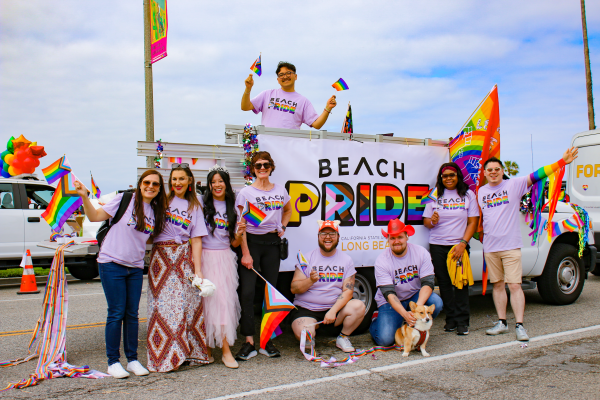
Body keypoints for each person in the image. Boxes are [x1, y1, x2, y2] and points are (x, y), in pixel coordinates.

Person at [74, 170, 167, 379]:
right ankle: (113, 362)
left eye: (155, 184)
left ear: (160, 189)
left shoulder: (155, 210)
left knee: (132, 314)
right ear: (140, 184)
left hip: (134, 267)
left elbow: (151, 239)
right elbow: (94, 216)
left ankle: (132, 359)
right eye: (147, 182)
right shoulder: (125, 199)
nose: (150, 186)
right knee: (116, 313)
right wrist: (84, 197)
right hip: (111, 263)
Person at [479, 148, 578, 341]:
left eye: (496, 169)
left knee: (515, 286)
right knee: (498, 285)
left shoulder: (513, 185)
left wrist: (561, 162)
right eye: (489, 170)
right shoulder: (481, 191)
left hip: (510, 246)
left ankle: (519, 325)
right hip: (490, 248)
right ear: (484, 173)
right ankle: (502, 323)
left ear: (502, 170)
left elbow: (537, 174)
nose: (493, 172)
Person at [146, 164, 216, 372]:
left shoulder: (194, 206)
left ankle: (188, 353)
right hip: (160, 259)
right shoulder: (161, 201)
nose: (177, 183)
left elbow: (196, 239)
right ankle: (166, 357)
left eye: (181, 179)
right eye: (174, 179)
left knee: (187, 305)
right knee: (163, 308)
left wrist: (198, 270)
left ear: (189, 182)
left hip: (184, 258)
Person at [235, 151, 292, 360]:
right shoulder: (246, 193)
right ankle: (249, 342)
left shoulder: (280, 190)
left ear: (271, 167)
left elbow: (288, 210)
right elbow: (240, 226)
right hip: (251, 244)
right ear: (253, 169)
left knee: (271, 295)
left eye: (266, 164)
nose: (262, 168)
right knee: (248, 294)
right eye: (258, 165)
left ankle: (267, 341)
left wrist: (282, 226)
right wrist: (246, 254)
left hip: (272, 245)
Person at [290, 220, 365, 352]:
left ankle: (343, 337)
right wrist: (310, 281)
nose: (328, 237)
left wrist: (333, 311)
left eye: (332, 233)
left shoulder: (346, 260)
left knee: (359, 306)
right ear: (318, 237)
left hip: (334, 311)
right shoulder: (307, 259)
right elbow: (294, 288)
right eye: (324, 234)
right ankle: (311, 333)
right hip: (307, 310)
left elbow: (348, 291)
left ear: (338, 237)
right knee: (305, 337)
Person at [423, 163, 479, 335]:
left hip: (459, 246)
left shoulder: (468, 195)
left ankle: (463, 321)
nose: (448, 178)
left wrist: (463, 243)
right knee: (445, 285)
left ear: (458, 176)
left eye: (451, 175)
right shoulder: (434, 195)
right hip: (438, 245)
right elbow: (426, 223)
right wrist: (433, 220)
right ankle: (452, 319)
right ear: (440, 178)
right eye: (445, 176)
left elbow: (473, 222)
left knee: (460, 284)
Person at [369, 219, 443, 346]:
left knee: (436, 302)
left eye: (400, 237)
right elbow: (389, 294)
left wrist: (417, 309)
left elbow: (428, 283)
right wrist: (405, 314)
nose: (396, 241)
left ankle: (413, 326)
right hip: (390, 302)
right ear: (388, 239)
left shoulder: (421, 252)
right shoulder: (382, 261)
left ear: (407, 237)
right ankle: (377, 319)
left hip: (413, 296)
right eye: (392, 238)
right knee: (385, 340)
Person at [201, 165, 246, 369]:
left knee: (223, 303)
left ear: (226, 184)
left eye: (221, 181)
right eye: (213, 182)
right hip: (203, 257)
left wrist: (239, 234)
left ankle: (226, 350)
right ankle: (207, 348)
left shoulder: (234, 207)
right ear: (209, 186)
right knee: (204, 304)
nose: (217, 185)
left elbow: (235, 244)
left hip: (224, 258)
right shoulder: (201, 204)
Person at [241, 61, 337, 130]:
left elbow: (317, 124)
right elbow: (245, 107)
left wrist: (328, 108)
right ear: (278, 80)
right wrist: (248, 88)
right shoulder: (267, 94)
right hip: (267, 145)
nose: (285, 76)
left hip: (290, 148)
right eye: (281, 74)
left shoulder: (303, 101)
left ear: (295, 76)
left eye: (289, 73)